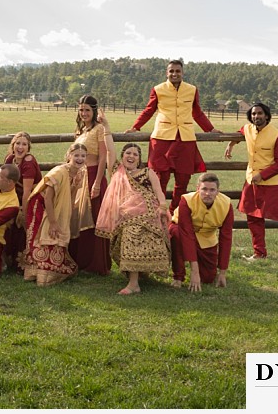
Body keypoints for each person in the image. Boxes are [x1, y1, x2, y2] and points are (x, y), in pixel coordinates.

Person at [130, 59, 220, 211]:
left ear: (182, 73)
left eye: (177, 71)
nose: (174, 74)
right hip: (162, 137)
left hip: (185, 138)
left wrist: (210, 129)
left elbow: (197, 112)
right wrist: (135, 127)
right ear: (167, 73)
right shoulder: (158, 89)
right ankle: (158, 210)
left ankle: (175, 213)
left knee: (183, 178)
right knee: (160, 177)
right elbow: (149, 110)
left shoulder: (191, 89)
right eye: (171, 71)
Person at [96, 143, 171, 295]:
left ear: (139, 159)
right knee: (131, 232)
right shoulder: (117, 171)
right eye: (128, 153)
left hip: (149, 213)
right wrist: (106, 127)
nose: (131, 156)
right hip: (126, 215)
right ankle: (135, 281)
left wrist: (162, 207)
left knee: (138, 233)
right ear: (122, 156)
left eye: (135, 154)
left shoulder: (147, 172)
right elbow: (110, 149)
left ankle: (135, 281)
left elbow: (159, 192)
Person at [224, 102, 278, 260]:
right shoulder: (248, 129)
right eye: (253, 114)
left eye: (259, 113)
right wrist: (231, 143)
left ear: (266, 115)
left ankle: (260, 252)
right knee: (252, 218)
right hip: (250, 181)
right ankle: (259, 253)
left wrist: (262, 175)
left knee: (268, 216)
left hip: (269, 183)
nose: (256, 117)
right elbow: (240, 132)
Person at [22, 144, 88, 286]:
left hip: (56, 206)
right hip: (41, 206)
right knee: (47, 234)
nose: (80, 158)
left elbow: (69, 200)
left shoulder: (79, 173)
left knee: (57, 233)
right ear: (69, 156)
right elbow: (47, 198)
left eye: (83, 156)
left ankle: (48, 269)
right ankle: (37, 271)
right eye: (76, 155)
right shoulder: (59, 172)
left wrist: (75, 185)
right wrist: (52, 221)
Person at [68, 95, 114, 275]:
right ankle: (79, 260)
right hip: (79, 178)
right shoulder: (80, 131)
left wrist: (96, 183)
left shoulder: (99, 129)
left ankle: (95, 264)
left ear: (94, 111)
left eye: (87, 110)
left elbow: (103, 156)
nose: (84, 113)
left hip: (94, 175)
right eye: (81, 110)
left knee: (94, 219)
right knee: (78, 217)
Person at [169, 173, 233, 292]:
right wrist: (194, 270)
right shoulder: (186, 200)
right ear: (198, 188)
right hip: (183, 231)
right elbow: (186, 233)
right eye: (204, 189)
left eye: (212, 190)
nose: (208, 193)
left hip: (206, 236)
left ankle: (204, 268)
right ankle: (178, 275)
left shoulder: (226, 205)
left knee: (208, 278)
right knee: (176, 233)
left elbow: (226, 238)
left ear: (218, 191)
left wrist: (223, 272)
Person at [3, 131, 42, 272]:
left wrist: (24, 214)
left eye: (24, 144)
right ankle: (8, 260)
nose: (20, 147)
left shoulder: (28, 162)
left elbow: (27, 192)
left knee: (21, 226)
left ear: (28, 147)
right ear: (13, 145)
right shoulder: (9, 159)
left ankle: (23, 265)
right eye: (17, 143)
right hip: (13, 199)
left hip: (31, 200)